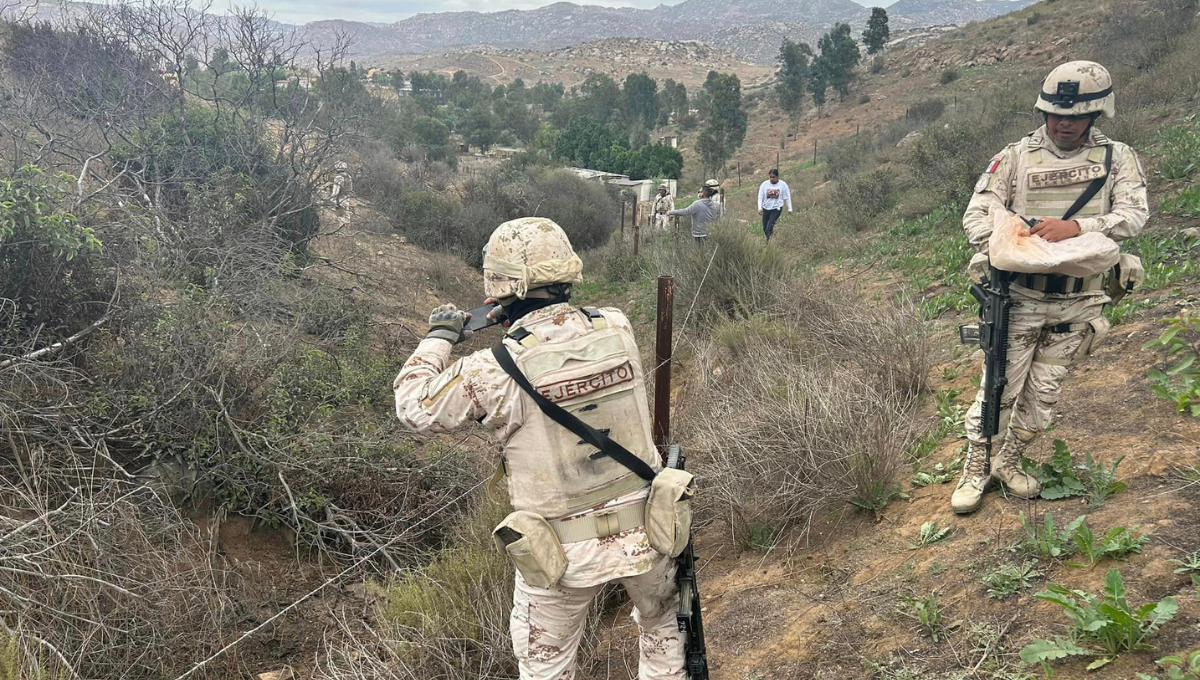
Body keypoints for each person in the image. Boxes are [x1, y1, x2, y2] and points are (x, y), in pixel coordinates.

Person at [393, 217, 685, 680]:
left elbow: (412, 405)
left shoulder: (489, 369)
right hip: (651, 529)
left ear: (499, 289)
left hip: (559, 555)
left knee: (546, 667)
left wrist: (441, 337)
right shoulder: (618, 325)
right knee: (664, 632)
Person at [952, 61, 1149, 514]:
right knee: (997, 389)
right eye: (1055, 113)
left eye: (1075, 115)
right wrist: (1017, 241)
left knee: (1045, 393)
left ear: (1097, 114)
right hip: (1019, 297)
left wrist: (1077, 227)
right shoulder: (1016, 157)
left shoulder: (1117, 158)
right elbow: (977, 216)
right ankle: (976, 468)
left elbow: (1133, 214)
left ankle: (1009, 462)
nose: (1063, 122)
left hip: (1079, 302)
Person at [757, 169, 793, 243]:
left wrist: (790, 208)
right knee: (765, 227)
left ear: (777, 177)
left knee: (769, 226)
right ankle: (771, 239)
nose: (771, 179)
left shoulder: (783, 185)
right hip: (766, 208)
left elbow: (787, 197)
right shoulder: (764, 184)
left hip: (776, 208)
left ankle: (767, 243)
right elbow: (760, 197)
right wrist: (759, 208)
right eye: (770, 177)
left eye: (773, 177)